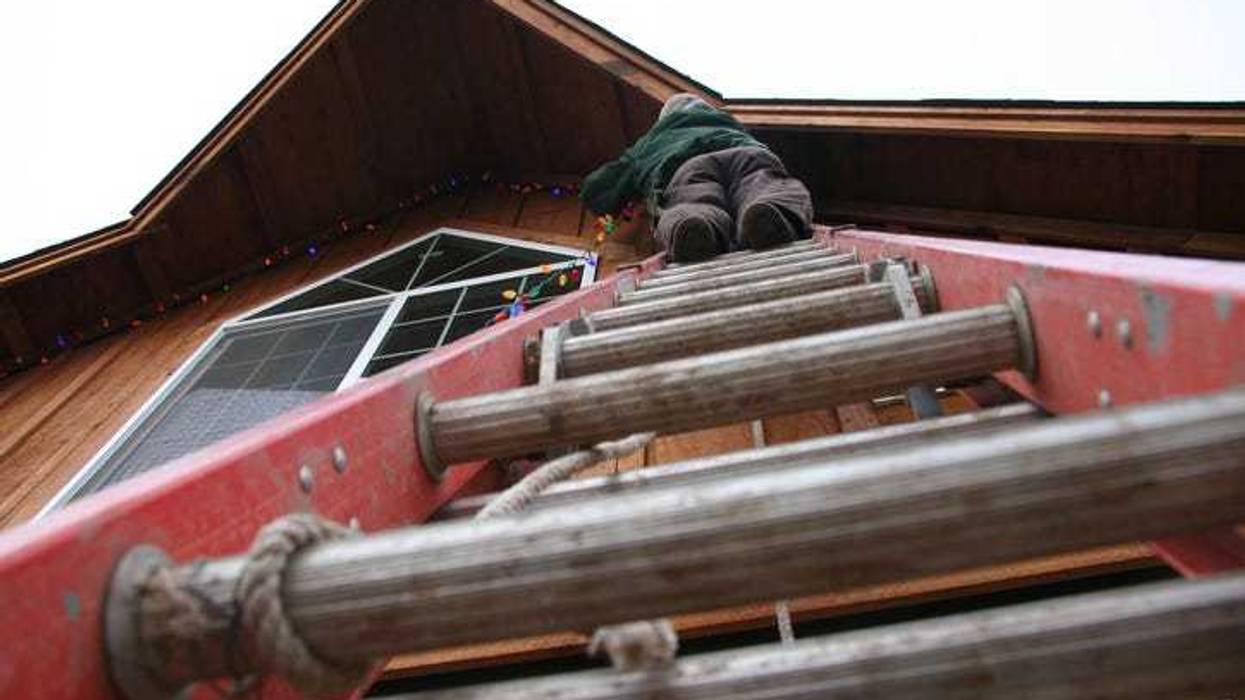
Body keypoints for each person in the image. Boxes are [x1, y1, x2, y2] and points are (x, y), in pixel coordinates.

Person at [581, 93, 814, 263]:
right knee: (763, 186)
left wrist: (606, 199)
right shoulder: (729, 124)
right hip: (748, 154)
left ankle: (695, 228)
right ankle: (770, 212)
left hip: (688, 166)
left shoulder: (654, 139)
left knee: (693, 201)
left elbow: (600, 188)